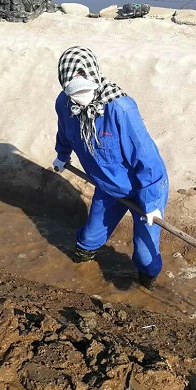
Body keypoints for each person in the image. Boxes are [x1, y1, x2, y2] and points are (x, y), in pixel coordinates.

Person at [52, 46, 169, 289]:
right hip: (108, 186)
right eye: (74, 92)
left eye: (85, 90)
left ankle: (147, 283)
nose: (80, 97)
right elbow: (65, 131)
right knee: (88, 239)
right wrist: (62, 155)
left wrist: (152, 204)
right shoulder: (64, 104)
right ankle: (80, 271)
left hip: (144, 186)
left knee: (145, 256)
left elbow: (148, 160)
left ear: (94, 78)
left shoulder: (120, 109)